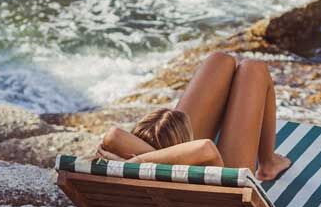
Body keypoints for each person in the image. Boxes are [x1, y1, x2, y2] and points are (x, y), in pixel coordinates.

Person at [96, 52, 291, 181]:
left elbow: (113, 135)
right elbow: (205, 148)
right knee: (253, 68)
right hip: (223, 182)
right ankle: (268, 163)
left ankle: (269, 161)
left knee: (219, 60)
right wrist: (137, 164)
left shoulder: (127, 164)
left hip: (161, 171)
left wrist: (137, 163)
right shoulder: (203, 154)